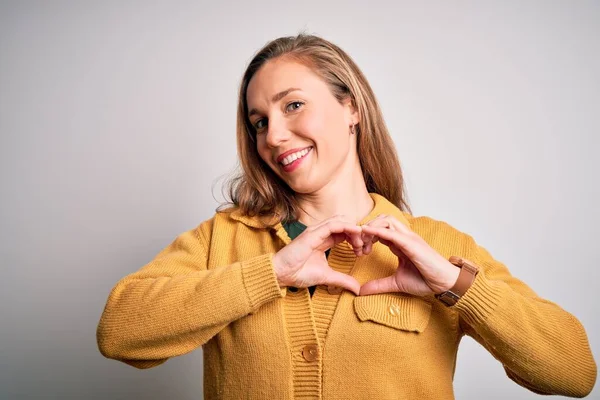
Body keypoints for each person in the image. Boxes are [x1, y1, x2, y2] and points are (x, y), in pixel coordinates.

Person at [96, 34, 597, 399]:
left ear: (351, 109)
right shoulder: (221, 239)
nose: (273, 136)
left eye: (293, 105)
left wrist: (454, 285)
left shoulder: (436, 245)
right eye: (259, 122)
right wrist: (270, 275)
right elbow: (118, 332)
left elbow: (573, 372)